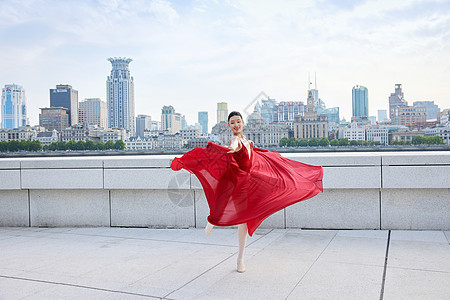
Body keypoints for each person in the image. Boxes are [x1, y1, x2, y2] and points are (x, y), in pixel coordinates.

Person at [171, 111, 323, 273]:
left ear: (243, 123)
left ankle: (236, 254)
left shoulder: (248, 142)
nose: (236, 125)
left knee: (247, 215)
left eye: (238, 121)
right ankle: (230, 246)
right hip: (238, 184)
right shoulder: (236, 140)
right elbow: (234, 145)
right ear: (229, 126)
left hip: (250, 183)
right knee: (241, 220)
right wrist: (232, 147)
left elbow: (254, 160)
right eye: (232, 123)